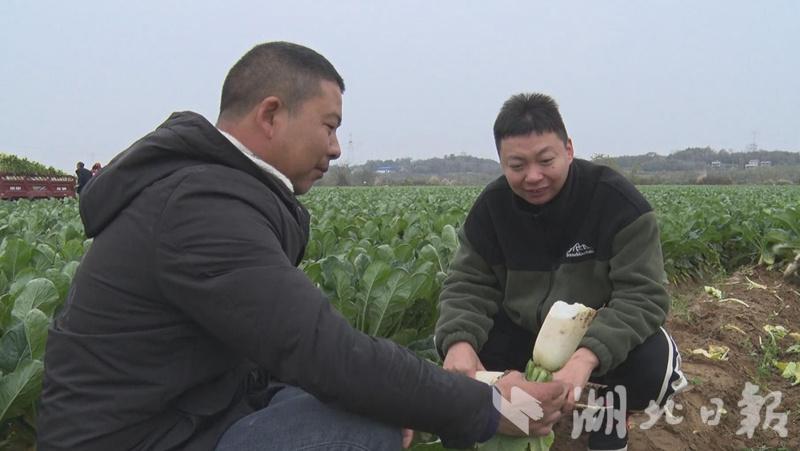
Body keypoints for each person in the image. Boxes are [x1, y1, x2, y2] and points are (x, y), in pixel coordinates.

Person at [37, 43, 573, 451]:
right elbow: (319, 350)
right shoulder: (199, 208)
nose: (337, 148)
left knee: (371, 397)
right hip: (134, 438)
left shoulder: (211, 190)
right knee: (366, 426)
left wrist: (445, 388)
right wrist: (486, 408)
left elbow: (301, 354)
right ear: (271, 115)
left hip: (185, 416)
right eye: (330, 126)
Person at [435, 93, 687, 451]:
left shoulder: (617, 204)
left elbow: (643, 296)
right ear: (502, 162)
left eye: (546, 160)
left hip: (596, 337)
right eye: (517, 165)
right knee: (456, 354)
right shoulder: (491, 210)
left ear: (568, 149)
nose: (533, 176)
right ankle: (519, 422)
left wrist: (585, 357)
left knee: (653, 363)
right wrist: (459, 342)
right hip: (520, 336)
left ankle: (607, 420)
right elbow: (466, 286)